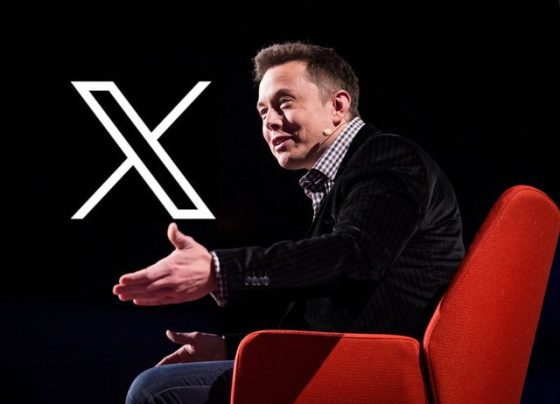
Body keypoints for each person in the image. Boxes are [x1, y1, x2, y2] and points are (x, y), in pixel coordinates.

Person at [114, 41, 465, 404]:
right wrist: (229, 347)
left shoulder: (388, 157)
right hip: (345, 358)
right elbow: (328, 319)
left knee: (156, 391)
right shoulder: (339, 181)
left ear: (337, 107)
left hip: (375, 370)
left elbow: (356, 255)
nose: (269, 121)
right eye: (262, 111)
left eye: (284, 103)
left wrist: (220, 270)